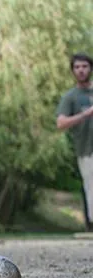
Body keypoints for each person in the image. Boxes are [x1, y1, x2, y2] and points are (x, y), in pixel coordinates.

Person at [56, 52, 93, 232]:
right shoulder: (70, 97)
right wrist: (86, 114)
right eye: (77, 67)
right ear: (72, 71)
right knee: (91, 187)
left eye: (84, 66)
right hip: (87, 150)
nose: (81, 70)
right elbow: (61, 123)